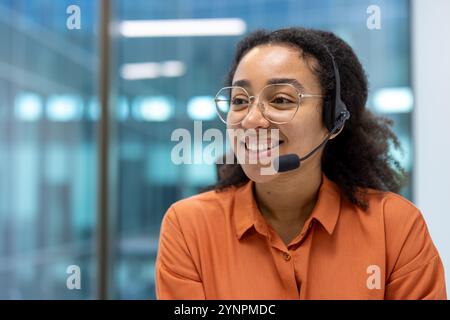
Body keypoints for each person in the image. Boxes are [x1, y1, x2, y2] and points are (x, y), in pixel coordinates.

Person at [155, 27, 447, 299]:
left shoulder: (394, 226)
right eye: (240, 100)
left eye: (281, 100)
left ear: (333, 120)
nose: (252, 119)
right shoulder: (189, 227)